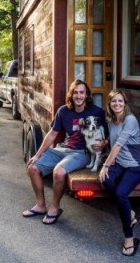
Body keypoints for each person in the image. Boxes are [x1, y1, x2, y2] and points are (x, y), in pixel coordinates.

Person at [22, 80, 106, 225]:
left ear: (87, 95)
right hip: (63, 148)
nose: (78, 96)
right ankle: (41, 205)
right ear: (71, 95)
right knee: (32, 168)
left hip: (82, 152)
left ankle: (54, 207)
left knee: (58, 172)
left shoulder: (96, 112)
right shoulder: (63, 111)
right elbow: (52, 134)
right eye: (75, 92)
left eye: (81, 92)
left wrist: (104, 143)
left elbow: (108, 133)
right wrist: (37, 155)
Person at [98, 89, 140, 257]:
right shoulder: (112, 120)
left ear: (125, 104)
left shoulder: (130, 120)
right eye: (114, 101)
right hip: (120, 163)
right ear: (109, 104)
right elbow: (114, 141)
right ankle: (130, 213)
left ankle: (129, 238)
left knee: (120, 193)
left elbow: (118, 145)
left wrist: (106, 165)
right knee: (105, 180)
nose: (117, 104)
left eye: (120, 101)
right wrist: (105, 142)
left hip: (135, 166)